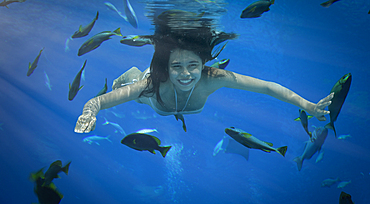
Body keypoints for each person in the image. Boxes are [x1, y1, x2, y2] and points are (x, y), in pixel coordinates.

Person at [74, 10, 333, 134]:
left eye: (192, 66)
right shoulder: (152, 83)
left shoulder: (212, 78)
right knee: (130, 85)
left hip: (169, 97)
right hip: (149, 92)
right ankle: (130, 73)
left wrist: (308, 106)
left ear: (203, 65)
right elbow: (97, 101)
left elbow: (266, 86)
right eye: (176, 66)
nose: (186, 74)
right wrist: (89, 112)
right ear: (166, 66)